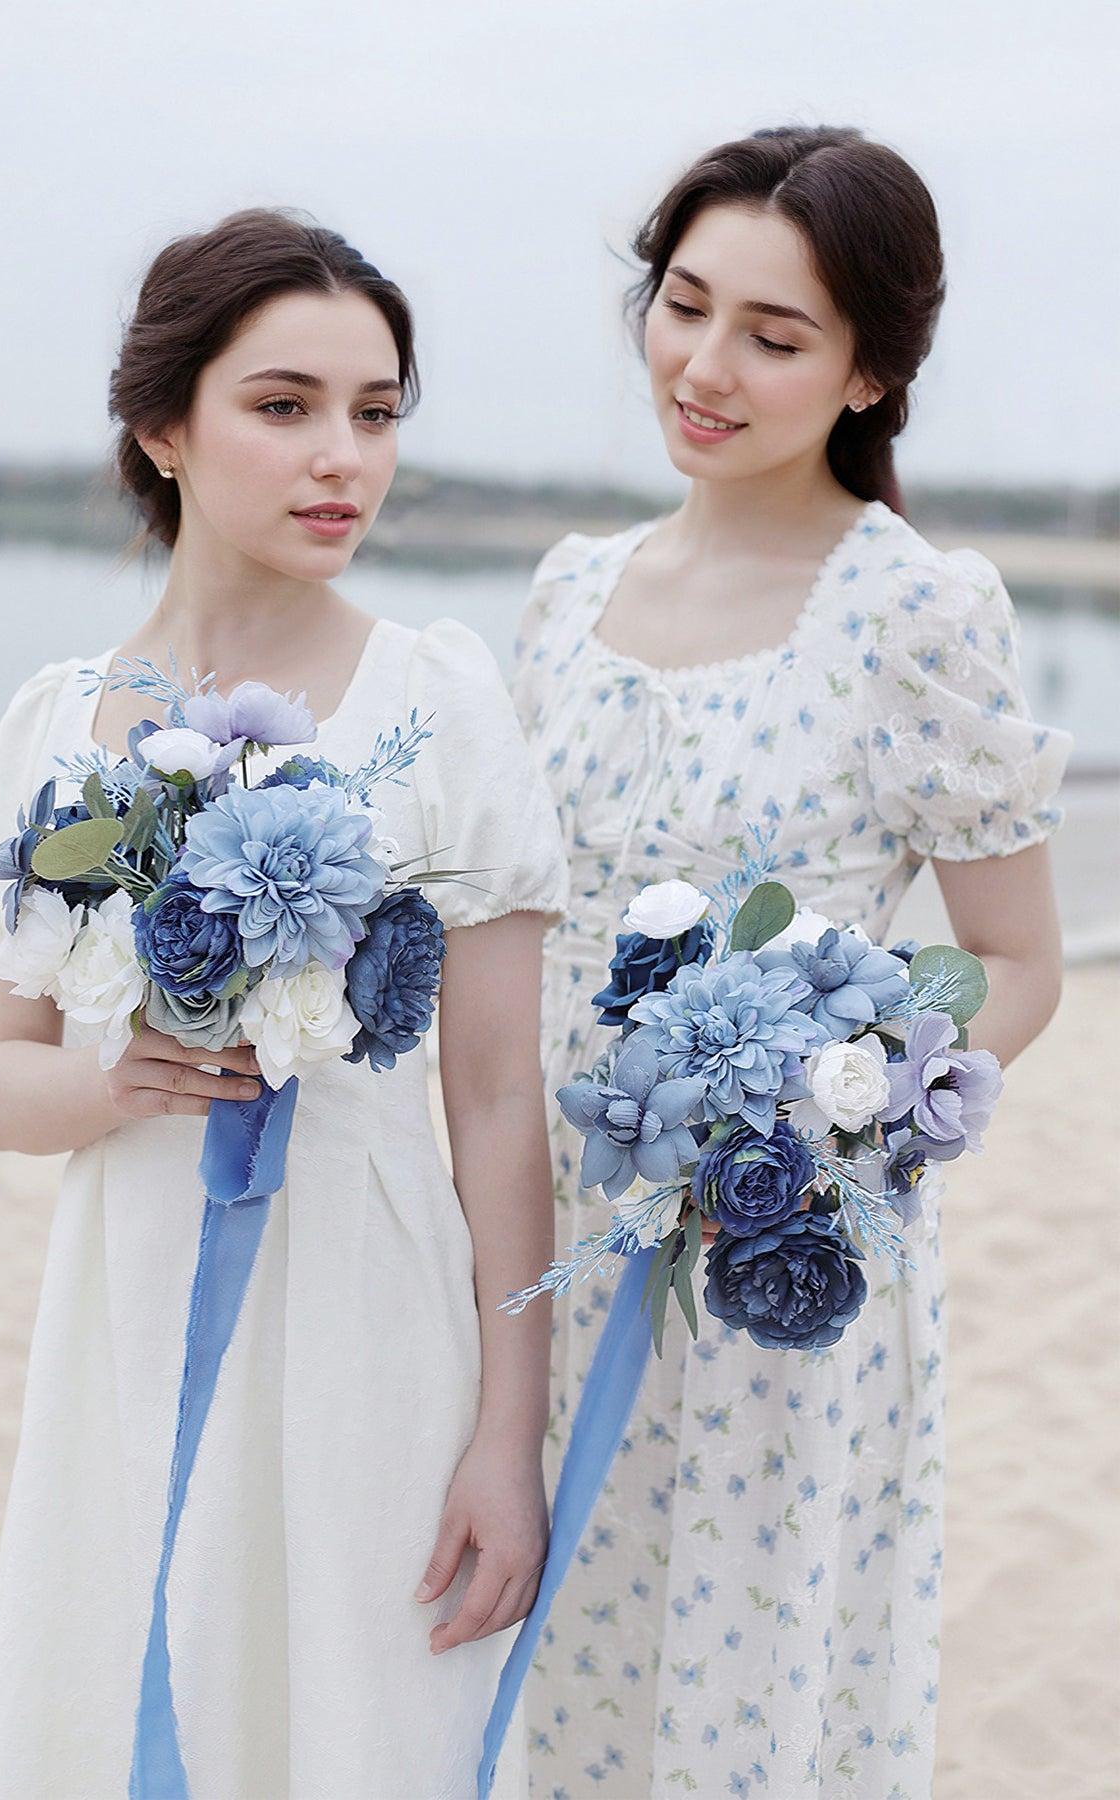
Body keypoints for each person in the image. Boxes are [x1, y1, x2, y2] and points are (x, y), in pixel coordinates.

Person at [0, 207, 566, 1800]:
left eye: (374, 414)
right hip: (130, 1294)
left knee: (358, 1725)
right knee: (129, 1695)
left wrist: (512, 1433)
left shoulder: (438, 701)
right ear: (164, 425)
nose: (340, 459)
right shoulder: (54, 728)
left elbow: (496, 1104)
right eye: (284, 406)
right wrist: (124, 1081)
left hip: (370, 1293)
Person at [512, 126, 1070, 1797]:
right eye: (684, 307)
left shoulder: (913, 611)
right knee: (555, 1682)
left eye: (774, 334)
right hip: (533, 1230)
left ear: (869, 372)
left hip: (771, 1264)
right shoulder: (567, 591)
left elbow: (1016, 965)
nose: (705, 365)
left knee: (740, 1700)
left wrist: (837, 1119)